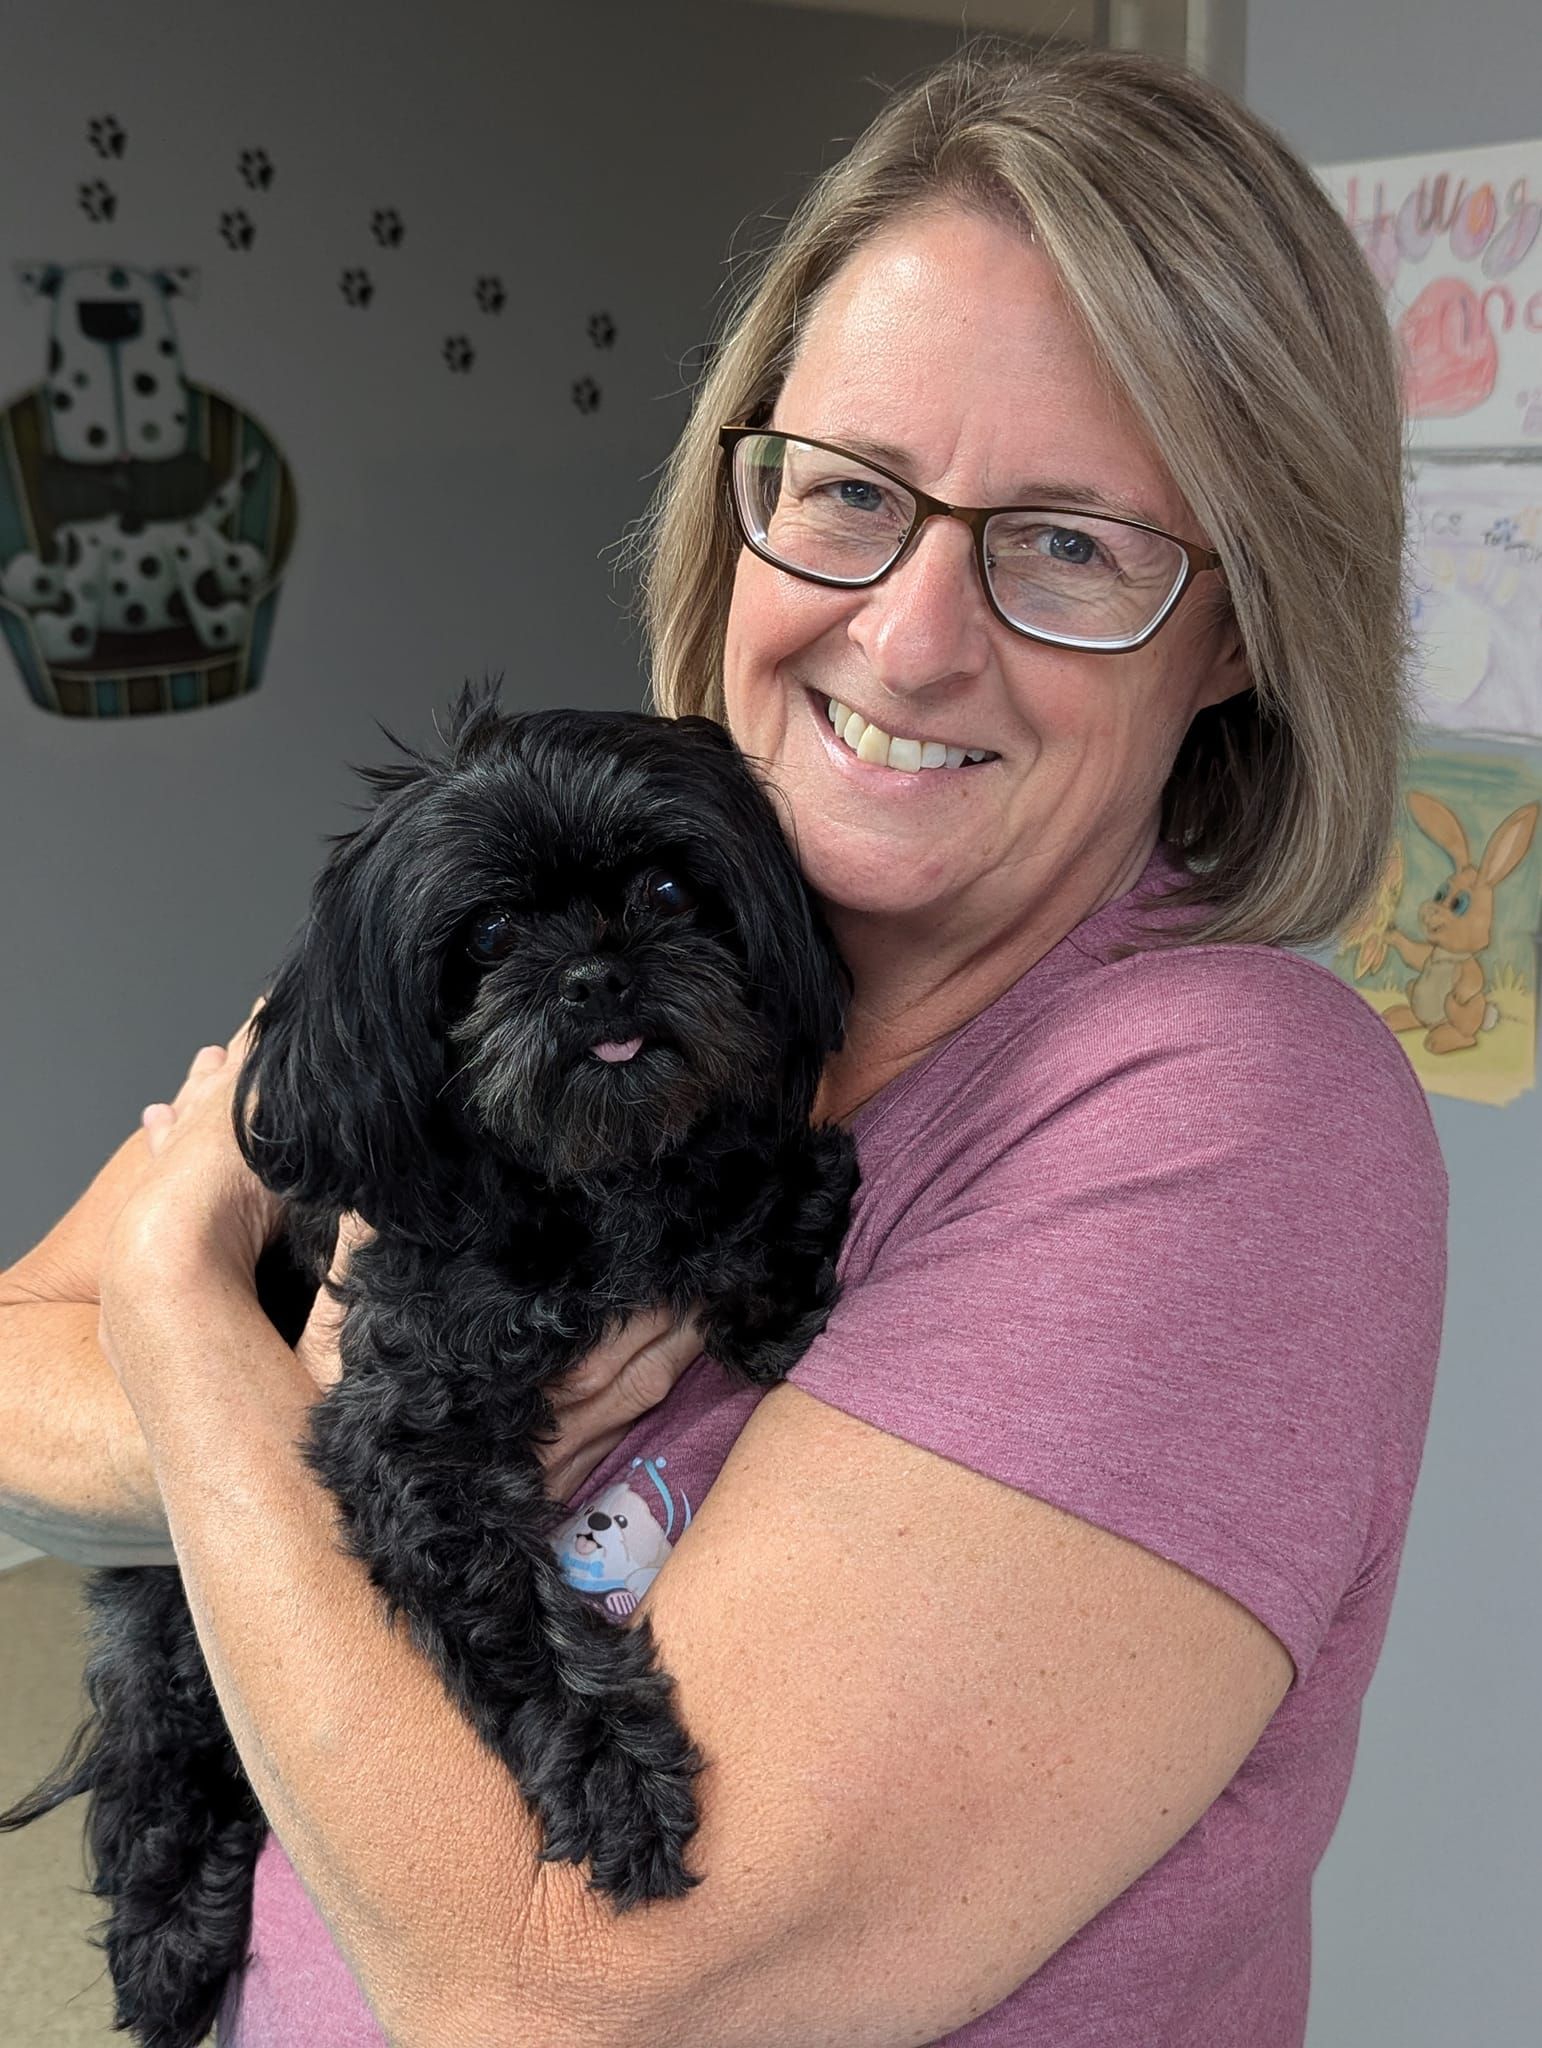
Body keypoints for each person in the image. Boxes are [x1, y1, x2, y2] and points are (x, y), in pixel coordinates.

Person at [0, 38, 1446, 2048]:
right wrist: (298, 1407)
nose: (913, 635)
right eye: (849, 491)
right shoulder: (519, 909)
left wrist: (185, 1324)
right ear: (739, 496)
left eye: (1068, 544)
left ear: (1242, 632)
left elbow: (568, 1999)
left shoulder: (1217, 1118)